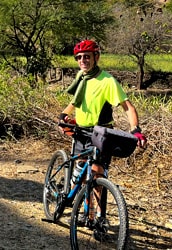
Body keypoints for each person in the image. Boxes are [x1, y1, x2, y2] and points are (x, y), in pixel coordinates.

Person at [58, 40, 147, 221]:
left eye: (87, 57)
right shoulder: (81, 77)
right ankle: (85, 212)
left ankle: (99, 218)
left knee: (97, 174)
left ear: (96, 57)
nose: (83, 60)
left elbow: (128, 107)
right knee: (83, 173)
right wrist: (63, 116)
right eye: (79, 57)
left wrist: (135, 130)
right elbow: (75, 103)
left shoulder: (107, 81)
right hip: (81, 132)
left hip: (101, 134)